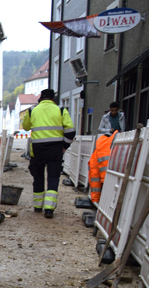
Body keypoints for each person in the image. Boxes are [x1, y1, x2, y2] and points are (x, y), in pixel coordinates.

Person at [22, 88, 75, 219]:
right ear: (53, 99)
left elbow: (26, 127)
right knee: (53, 178)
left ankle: (37, 206)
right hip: (55, 150)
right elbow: (70, 132)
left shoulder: (32, 110)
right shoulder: (61, 110)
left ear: (41, 98)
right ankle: (49, 209)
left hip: (38, 150)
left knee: (38, 177)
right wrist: (65, 146)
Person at [88, 130, 117, 204]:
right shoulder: (118, 144)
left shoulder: (100, 146)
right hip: (115, 179)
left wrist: (95, 200)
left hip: (105, 180)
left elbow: (94, 174)